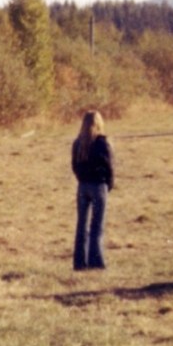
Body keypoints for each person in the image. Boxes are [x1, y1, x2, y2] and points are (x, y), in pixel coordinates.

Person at [72, 109, 114, 270]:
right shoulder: (102, 142)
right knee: (97, 225)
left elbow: (74, 166)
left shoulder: (78, 143)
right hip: (98, 185)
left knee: (81, 225)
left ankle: (79, 262)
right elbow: (110, 166)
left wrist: (82, 179)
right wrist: (108, 184)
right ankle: (95, 262)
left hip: (83, 186)